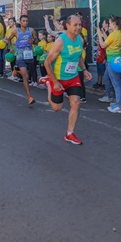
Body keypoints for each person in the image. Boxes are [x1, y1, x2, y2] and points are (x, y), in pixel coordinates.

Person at [42, 15, 91, 145]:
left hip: (73, 77)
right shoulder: (60, 42)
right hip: (58, 78)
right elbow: (47, 62)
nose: (78, 27)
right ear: (67, 26)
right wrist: (55, 82)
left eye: (80, 24)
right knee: (57, 108)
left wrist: (85, 70)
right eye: (75, 25)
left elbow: (79, 56)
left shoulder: (80, 39)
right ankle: (48, 83)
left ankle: (70, 133)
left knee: (76, 103)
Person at [3, 15, 38, 105]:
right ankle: (29, 97)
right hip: (20, 56)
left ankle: (17, 70)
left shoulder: (31, 30)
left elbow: (36, 40)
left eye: (26, 21)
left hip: (29, 55)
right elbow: (9, 39)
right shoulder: (15, 31)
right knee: (25, 76)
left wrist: (33, 42)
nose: (25, 22)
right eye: (23, 21)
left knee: (28, 74)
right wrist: (11, 47)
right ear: (20, 22)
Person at [97, 16, 121, 114]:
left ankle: (119, 105)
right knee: (114, 82)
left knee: (116, 84)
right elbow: (108, 41)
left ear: (114, 24)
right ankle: (118, 103)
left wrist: (99, 35)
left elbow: (103, 45)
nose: (109, 25)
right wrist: (103, 34)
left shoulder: (115, 34)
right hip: (119, 60)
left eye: (110, 23)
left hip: (112, 60)